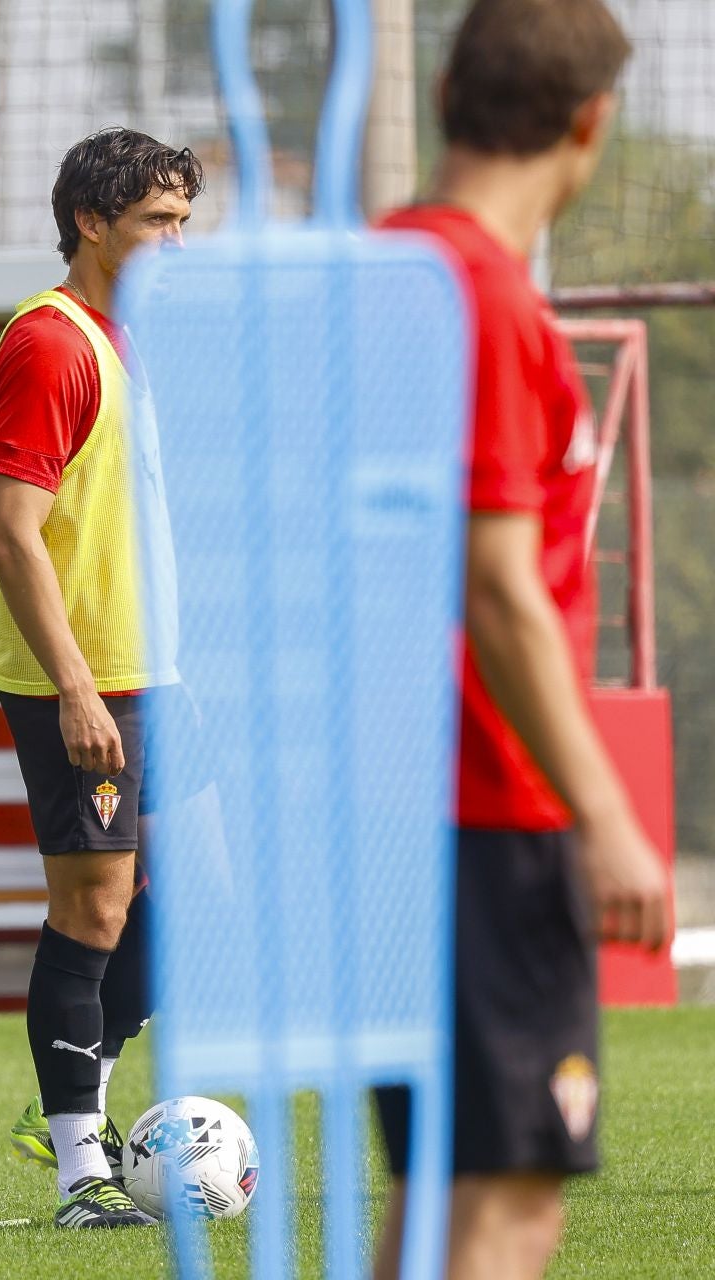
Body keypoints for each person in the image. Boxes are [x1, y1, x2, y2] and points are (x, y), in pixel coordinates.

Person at [371, 3, 673, 1277]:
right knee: (509, 1198)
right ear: (589, 122)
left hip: (389, 807)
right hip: (486, 809)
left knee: (444, 1192)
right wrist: (604, 814)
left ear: (448, 92)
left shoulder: (379, 263)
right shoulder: (482, 297)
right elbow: (495, 588)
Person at [0, 126, 201, 1229]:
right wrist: (72, 684)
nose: (173, 242)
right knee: (96, 906)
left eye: (183, 223)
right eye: (157, 222)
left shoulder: (130, 340)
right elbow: (12, 532)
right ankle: (79, 1170)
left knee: (196, 898)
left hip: (157, 674)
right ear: (91, 223)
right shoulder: (51, 342)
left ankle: (77, 1102)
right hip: (85, 678)